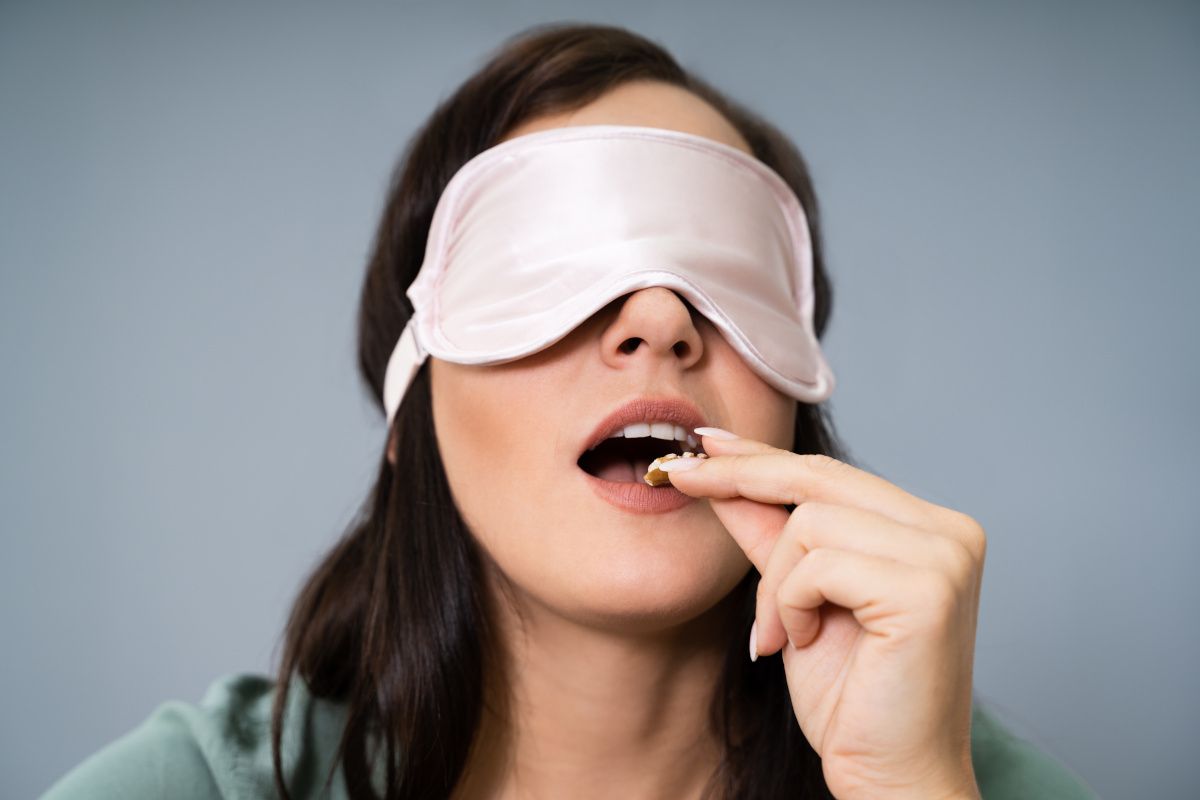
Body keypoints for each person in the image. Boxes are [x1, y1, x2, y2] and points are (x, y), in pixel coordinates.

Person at [39, 22, 1097, 800]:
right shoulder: (192, 785)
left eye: (723, 278)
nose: (658, 319)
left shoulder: (956, 780)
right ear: (413, 409)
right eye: (551, 269)